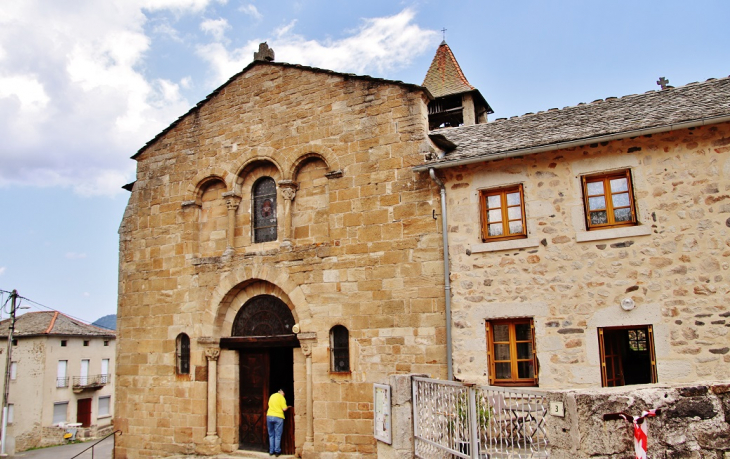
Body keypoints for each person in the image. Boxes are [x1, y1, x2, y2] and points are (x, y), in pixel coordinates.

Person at [266, 388, 288, 456]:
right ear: (282, 393)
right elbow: (284, 409)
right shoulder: (282, 398)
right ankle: (277, 451)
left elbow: (269, 405)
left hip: (269, 416)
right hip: (278, 417)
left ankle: (271, 451)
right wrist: (287, 407)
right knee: (277, 435)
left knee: (271, 434)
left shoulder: (272, 396)